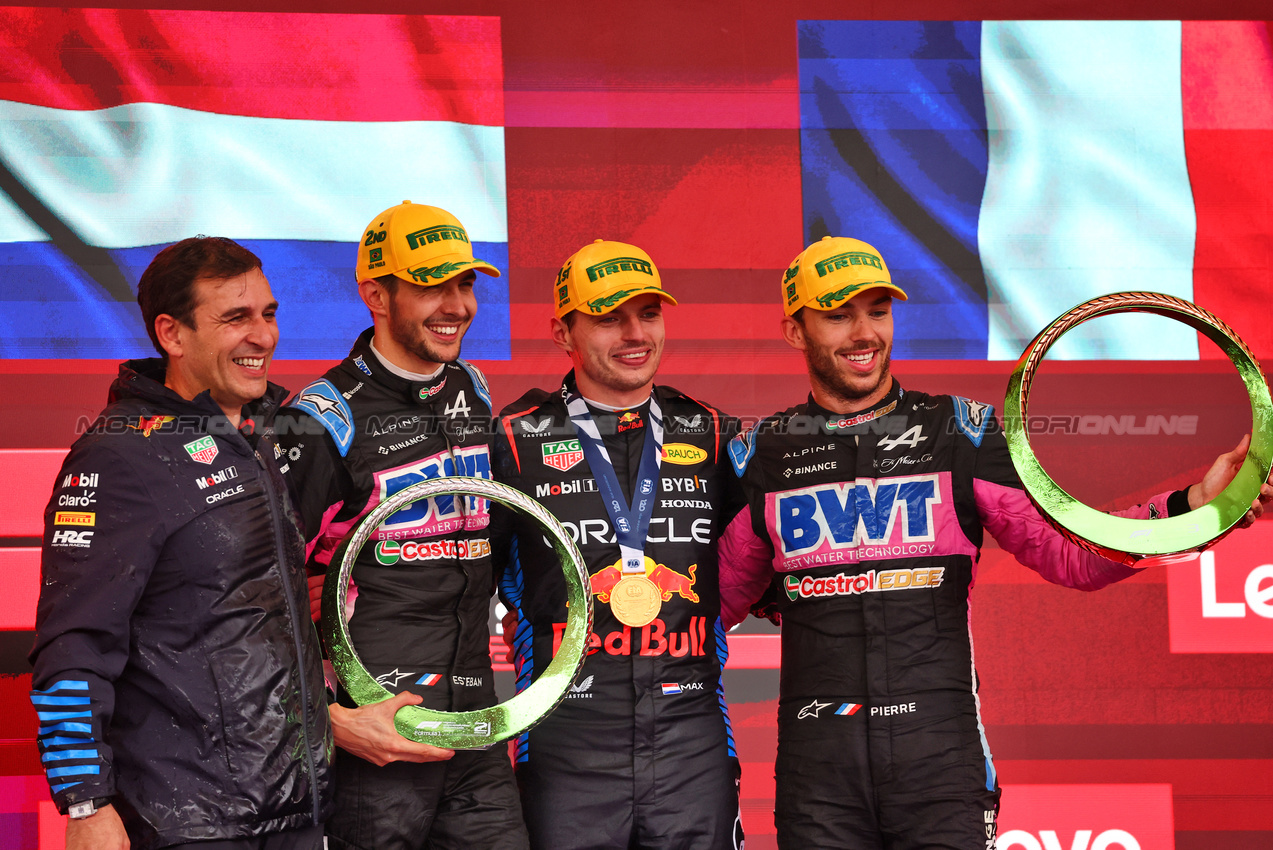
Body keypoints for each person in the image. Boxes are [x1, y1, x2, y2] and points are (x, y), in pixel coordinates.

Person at [717, 235, 1273, 849]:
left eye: (877, 311)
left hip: (940, 758)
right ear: (796, 331)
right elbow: (714, 602)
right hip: (818, 767)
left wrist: (1193, 508)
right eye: (837, 315)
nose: (863, 333)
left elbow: (1072, 552)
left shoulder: (961, 430)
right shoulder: (762, 453)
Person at [29, 237, 333, 850]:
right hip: (190, 826)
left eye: (268, 314)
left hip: (295, 811)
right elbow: (74, 642)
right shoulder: (118, 455)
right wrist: (86, 802)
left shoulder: (262, 434)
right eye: (236, 318)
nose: (264, 337)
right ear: (172, 334)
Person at [277, 201, 529, 850]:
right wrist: (328, 720)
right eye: (429, 286)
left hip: (475, 718)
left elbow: (499, 535)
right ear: (375, 295)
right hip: (377, 734)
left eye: (465, 283)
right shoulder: (319, 418)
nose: (456, 306)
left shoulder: (471, 390)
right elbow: (258, 593)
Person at [491, 239, 747, 850]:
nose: (635, 333)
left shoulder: (713, 433)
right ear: (563, 332)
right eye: (609, 317)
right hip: (565, 737)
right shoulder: (513, 440)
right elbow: (464, 584)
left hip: (692, 738)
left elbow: (757, 571)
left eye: (649, 313)